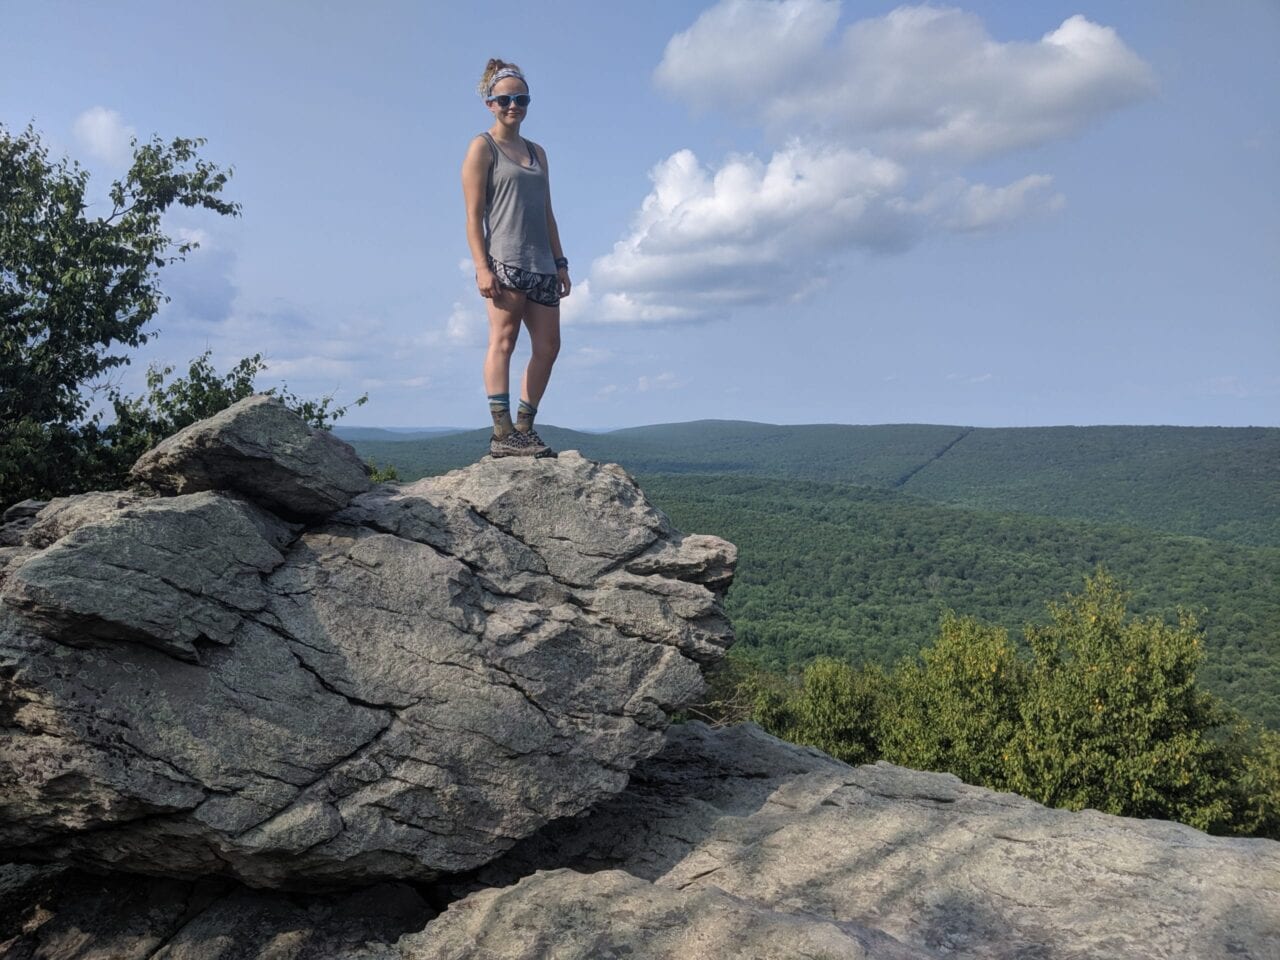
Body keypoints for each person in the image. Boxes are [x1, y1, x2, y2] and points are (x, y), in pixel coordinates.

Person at [461, 58, 570, 458]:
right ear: (490, 102)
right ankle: (502, 432)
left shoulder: (538, 152)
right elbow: (473, 215)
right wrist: (481, 267)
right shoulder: (482, 148)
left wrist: (561, 263)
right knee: (503, 341)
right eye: (505, 99)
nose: (514, 106)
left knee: (549, 346)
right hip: (504, 261)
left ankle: (524, 427)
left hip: (542, 263)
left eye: (521, 99)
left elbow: (546, 212)